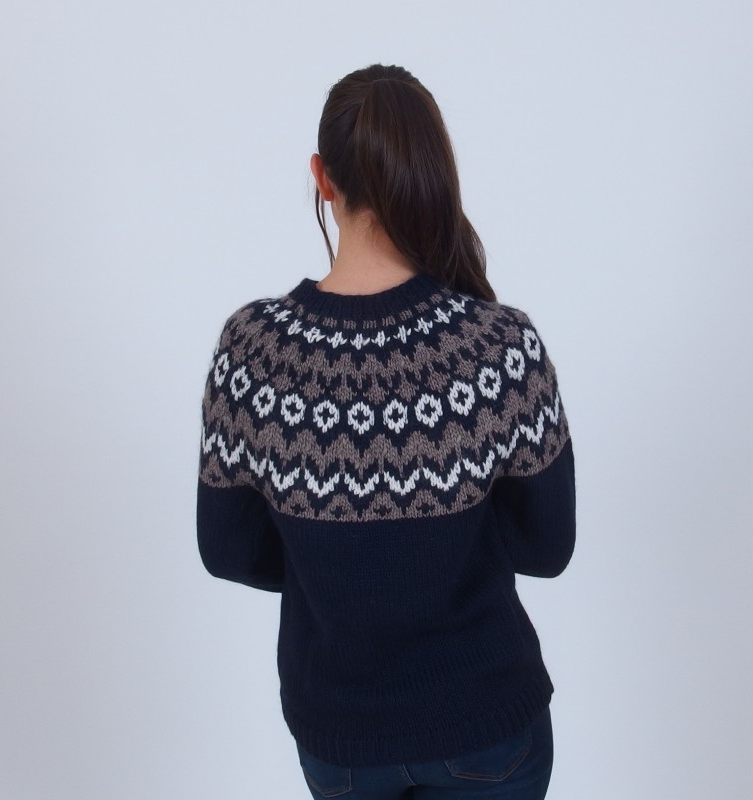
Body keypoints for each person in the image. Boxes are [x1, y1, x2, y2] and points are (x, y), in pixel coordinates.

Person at [196, 63, 576, 800]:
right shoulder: (498, 348)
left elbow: (228, 551)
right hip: (487, 725)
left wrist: (331, 562)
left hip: (341, 738)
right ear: (430, 174)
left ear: (322, 178)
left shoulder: (254, 352)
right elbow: (547, 549)